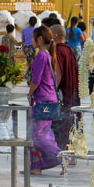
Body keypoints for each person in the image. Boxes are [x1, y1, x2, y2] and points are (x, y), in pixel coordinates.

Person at [28, 26, 62, 173]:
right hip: (47, 100)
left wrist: (30, 94)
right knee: (37, 132)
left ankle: (62, 157)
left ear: (40, 39)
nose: (31, 40)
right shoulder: (48, 55)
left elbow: (36, 79)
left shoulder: (42, 55)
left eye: (33, 37)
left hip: (45, 102)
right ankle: (36, 166)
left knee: (39, 135)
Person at [51, 25, 80, 157]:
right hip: (72, 92)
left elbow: (58, 73)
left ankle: (64, 157)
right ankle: (71, 154)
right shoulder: (69, 49)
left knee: (60, 125)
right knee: (70, 123)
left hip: (62, 94)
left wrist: (52, 92)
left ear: (55, 35)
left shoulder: (57, 50)